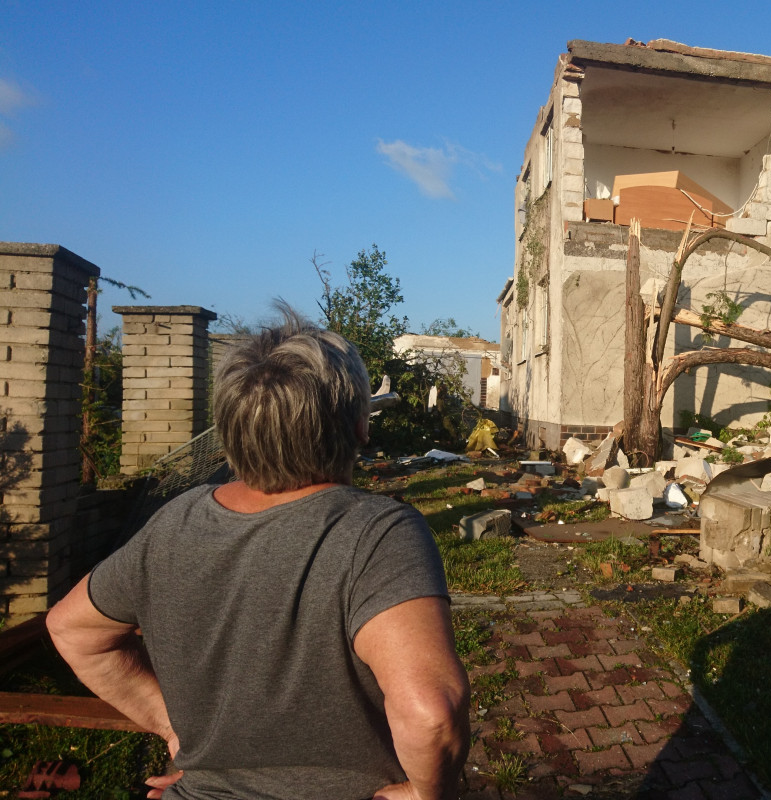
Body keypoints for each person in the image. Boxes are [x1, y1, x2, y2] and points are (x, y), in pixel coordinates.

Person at [47, 308, 469, 800]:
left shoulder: (170, 524)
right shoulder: (377, 534)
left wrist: (174, 730)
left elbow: (70, 629)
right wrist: (426, 794)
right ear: (359, 427)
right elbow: (430, 716)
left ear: (231, 428)